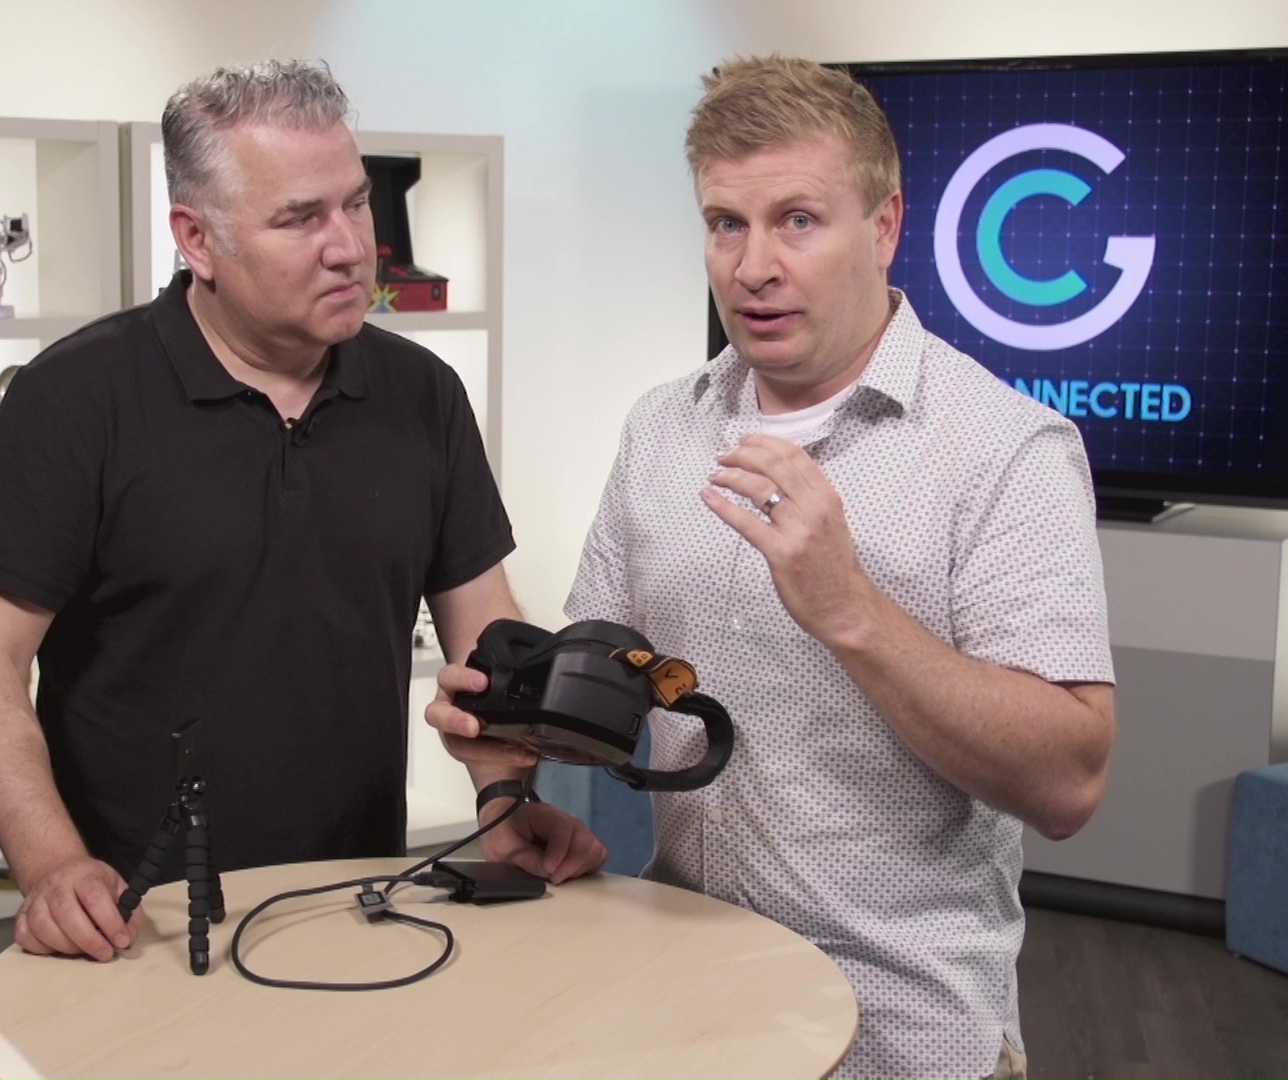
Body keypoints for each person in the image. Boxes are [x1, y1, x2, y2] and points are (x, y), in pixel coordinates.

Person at [428, 56, 1115, 1079]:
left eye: (798, 220)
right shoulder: (662, 427)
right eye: (726, 224)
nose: (753, 266)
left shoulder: (1006, 449)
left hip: (900, 1032)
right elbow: (611, 683)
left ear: (884, 226)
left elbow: (1069, 783)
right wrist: (505, 743)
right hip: (685, 1003)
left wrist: (853, 611)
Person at [0, 60, 603, 964]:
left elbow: (484, 636)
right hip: (136, 928)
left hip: (361, 903)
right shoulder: (75, 400)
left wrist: (503, 802)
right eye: (299, 219)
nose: (350, 247)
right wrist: (52, 864)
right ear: (197, 239)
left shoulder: (425, 394)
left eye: (356, 204)